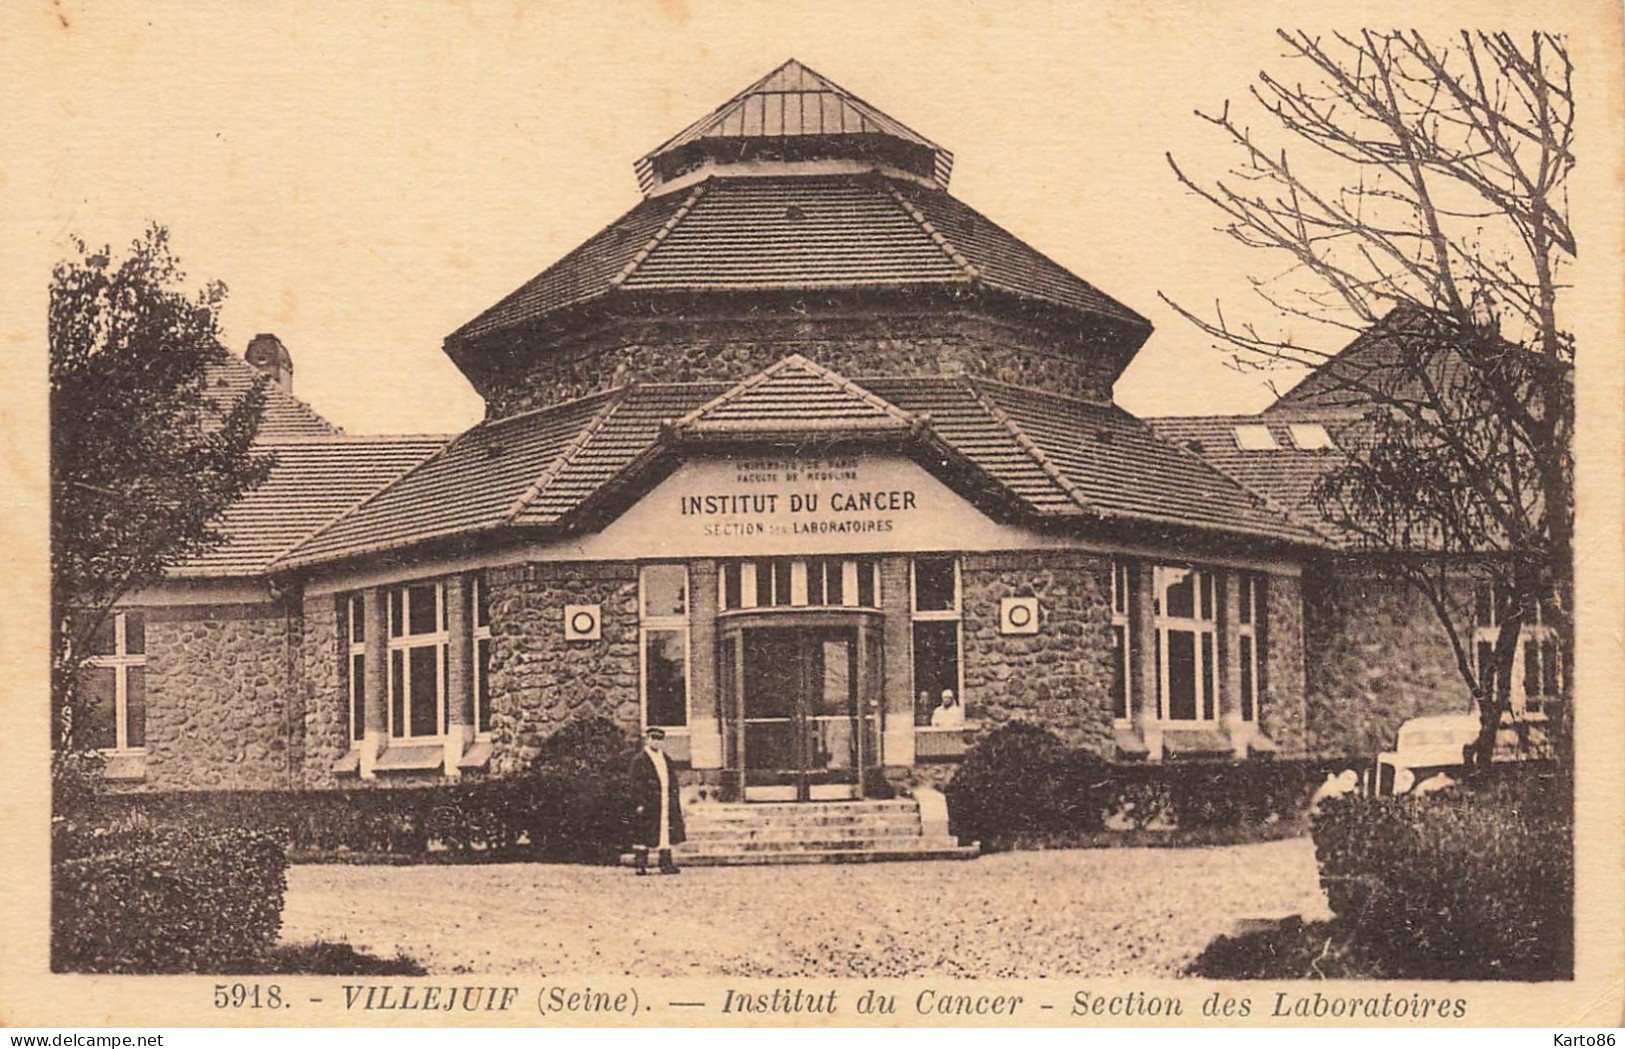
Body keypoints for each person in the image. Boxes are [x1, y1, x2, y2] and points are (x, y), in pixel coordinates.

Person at [629, 727, 685, 875]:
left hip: (665, 800)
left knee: (665, 832)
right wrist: (639, 802)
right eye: (653, 738)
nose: (656, 742)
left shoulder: (665, 758)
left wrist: (674, 797)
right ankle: (640, 864)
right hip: (648, 802)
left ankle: (666, 864)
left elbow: (671, 779)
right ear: (647, 739)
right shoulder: (640, 759)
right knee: (644, 832)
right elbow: (636, 783)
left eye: (659, 739)